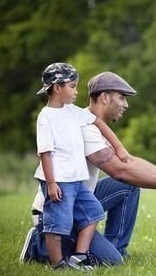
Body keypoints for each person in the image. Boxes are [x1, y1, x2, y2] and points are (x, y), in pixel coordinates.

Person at [21, 71, 156, 266]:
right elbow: (119, 171)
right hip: (58, 205)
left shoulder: (91, 123)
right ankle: (38, 244)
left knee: (128, 187)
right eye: (121, 98)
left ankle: (115, 248)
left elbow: (129, 162)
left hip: (78, 199)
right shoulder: (83, 127)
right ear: (104, 97)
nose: (126, 105)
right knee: (110, 260)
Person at [33, 63, 128, 270]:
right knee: (58, 224)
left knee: (93, 212)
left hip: (77, 181)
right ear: (57, 87)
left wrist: (118, 147)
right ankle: (55, 262)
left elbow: (99, 123)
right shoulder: (46, 117)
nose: (77, 92)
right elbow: (45, 153)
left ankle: (79, 256)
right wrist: (50, 183)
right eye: (73, 86)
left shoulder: (73, 112)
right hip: (58, 180)